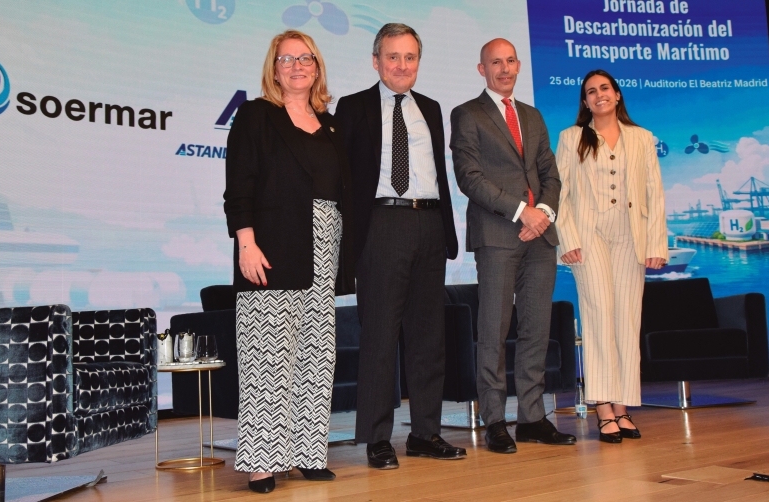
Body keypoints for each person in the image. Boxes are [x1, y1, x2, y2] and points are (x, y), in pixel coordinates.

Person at [223, 30, 355, 493]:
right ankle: (262, 461)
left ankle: (306, 453)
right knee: (268, 355)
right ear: (273, 67)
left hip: (326, 242)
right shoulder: (256, 115)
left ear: (317, 67)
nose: (297, 66)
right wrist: (246, 242)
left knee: (316, 354)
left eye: (306, 58)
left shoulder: (332, 125)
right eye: (287, 59)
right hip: (273, 244)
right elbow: (238, 184)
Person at [334, 23, 465, 469]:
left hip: (428, 222)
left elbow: (439, 175)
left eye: (410, 57)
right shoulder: (352, 108)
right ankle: (375, 438)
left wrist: (446, 230)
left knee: (429, 337)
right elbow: (341, 178)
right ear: (376, 61)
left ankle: (426, 433)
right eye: (393, 57)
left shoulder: (430, 106)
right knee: (380, 336)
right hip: (382, 225)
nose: (402, 65)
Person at [450, 38, 575, 454]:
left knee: (536, 330)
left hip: (541, 237)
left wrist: (544, 214)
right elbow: (469, 177)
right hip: (498, 235)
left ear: (519, 65)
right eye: (494, 63)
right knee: (493, 330)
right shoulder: (467, 114)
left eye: (509, 61)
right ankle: (496, 420)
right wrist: (523, 212)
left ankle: (533, 418)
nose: (503, 69)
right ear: (481, 69)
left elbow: (551, 176)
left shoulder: (533, 116)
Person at [555, 69, 667, 443]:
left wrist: (655, 245)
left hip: (630, 237)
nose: (599, 95)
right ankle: (603, 407)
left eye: (605, 88)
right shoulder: (571, 138)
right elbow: (561, 193)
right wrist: (566, 237)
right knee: (599, 315)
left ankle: (622, 406)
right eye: (590, 91)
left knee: (626, 319)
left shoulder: (642, 138)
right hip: (589, 237)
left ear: (617, 95)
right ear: (584, 102)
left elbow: (655, 194)